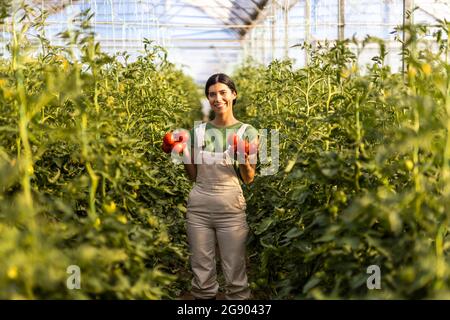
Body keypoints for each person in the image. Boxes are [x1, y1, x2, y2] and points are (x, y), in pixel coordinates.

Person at [182, 73, 258, 300]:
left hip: (230, 209)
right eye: (212, 94)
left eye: (223, 92)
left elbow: (249, 178)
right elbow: (193, 176)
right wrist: (183, 151)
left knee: (235, 274)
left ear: (233, 95)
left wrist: (242, 157)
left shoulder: (247, 132)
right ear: (208, 98)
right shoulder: (199, 131)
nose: (218, 98)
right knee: (201, 275)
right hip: (199, 208)